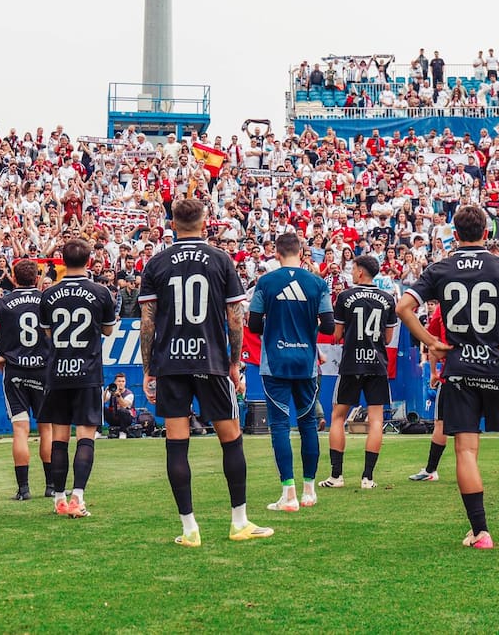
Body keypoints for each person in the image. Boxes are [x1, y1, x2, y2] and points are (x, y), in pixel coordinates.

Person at [397, 203, 499, 548]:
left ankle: (481, 532)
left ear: (455, 235)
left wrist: (430, 342)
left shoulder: (440, 268)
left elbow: (403, 308)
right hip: (497, 367)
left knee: (466, 452)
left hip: (458, 371)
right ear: (487, 234)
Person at [140, 198, 272, 546]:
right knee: (231, 440)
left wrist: (148, 368)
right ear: (205, 221)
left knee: (177, 445)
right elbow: (235, 318)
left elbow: (147, 321)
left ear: (172, 224)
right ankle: (239, 522)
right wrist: (234, 363)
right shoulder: (220, 260)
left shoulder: (156, 262)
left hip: (170, 363)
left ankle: (189, 529)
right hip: (211, 361)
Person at [248, 231, 335, 513]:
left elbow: (254, 325)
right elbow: (330, 327)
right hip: (305, 362)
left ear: (276, 252)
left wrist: (278, 322)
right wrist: (307, 327)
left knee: (280, 426)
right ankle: (309, 490)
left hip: (275, 361)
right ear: (302, 251)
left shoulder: (266, 282)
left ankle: (289, 493)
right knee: (308, 423)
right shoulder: (317, 283)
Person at [39, 239, 118, 518]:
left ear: (61, 260)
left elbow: (47, 333)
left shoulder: (49, 294)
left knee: (59, 438)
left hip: (58, 373)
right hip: (88, 372)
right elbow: (108, 331)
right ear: (89, 261)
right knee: (86, 436)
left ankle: (59, 499)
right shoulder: (100, 291)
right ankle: (78, 497)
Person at [0, 259, 54, 500]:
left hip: (15, 370)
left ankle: (23, 489)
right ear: (36, 277)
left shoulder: (2, 302)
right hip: (43, 369)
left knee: (20, 429)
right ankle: (51, 486)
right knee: (47, 429)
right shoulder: (45, 300)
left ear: (13, 277)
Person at [319, 254, 398, 489]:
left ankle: (336, 476)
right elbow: (388, 337)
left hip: (352, 363)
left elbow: (337, 335)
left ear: (361, 271)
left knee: (338, 416)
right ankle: (368, 478)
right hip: (377, 363)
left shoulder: (345, 296)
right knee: (376, 420)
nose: (352, 272)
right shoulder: (387, 298)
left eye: (353, 269)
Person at [408, 303, 449, 482]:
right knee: (469, 428)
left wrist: (433, 372)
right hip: (486, 368)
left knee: (440, 423)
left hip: (454, 371)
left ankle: (431, 470)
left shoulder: (444, 306)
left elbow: (433, 343)